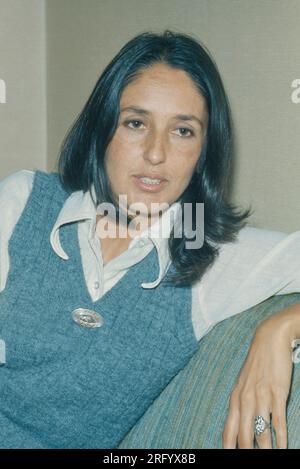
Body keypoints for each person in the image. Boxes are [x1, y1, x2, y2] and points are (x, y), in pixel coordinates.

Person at [0, 30, 300, 450]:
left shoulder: (210, 257)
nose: (156, 153)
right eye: (136, 123)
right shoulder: (23, 202)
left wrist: (281, 327)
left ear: (203, 153)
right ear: (102, 128)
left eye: (183, 131)